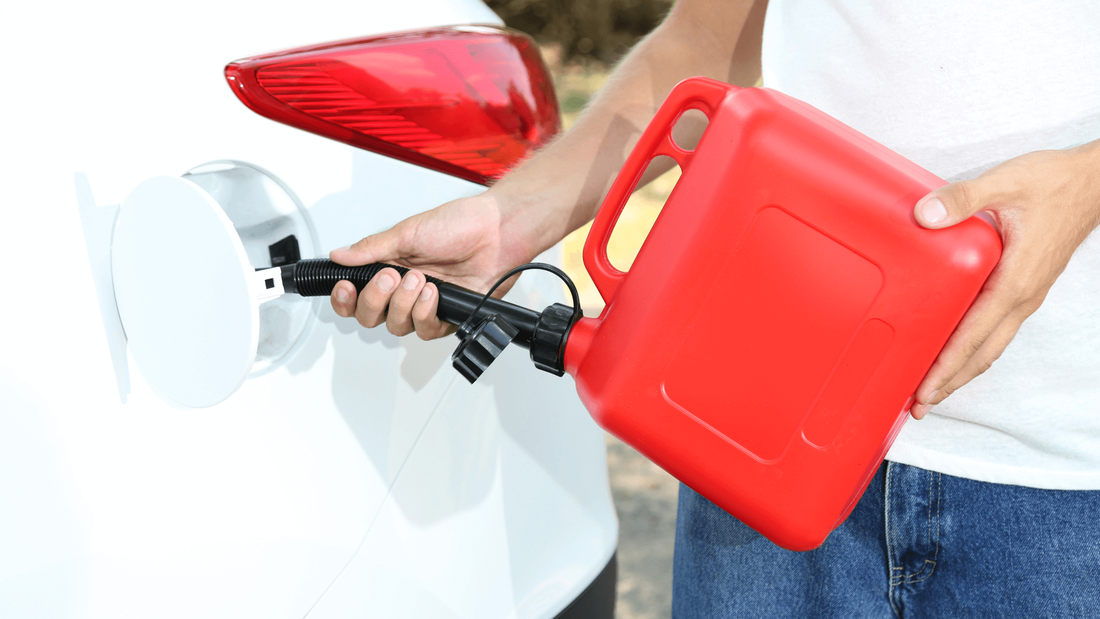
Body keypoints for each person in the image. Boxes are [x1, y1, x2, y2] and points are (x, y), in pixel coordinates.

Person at [328, 0, 1100, 616]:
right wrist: (509, 224)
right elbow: (702, 44)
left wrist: (1086, 184)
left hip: (1055, 493)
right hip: (751, 448)